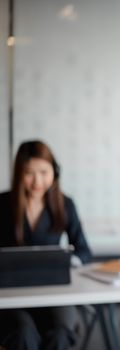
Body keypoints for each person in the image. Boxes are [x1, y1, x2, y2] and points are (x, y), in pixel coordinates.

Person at [0, 140, 92, 350]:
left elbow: (84, 250)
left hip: (54, 291)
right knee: (23, 334)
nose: (37, 181)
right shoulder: (3, 203)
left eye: (44, 172)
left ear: (55, 171)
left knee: (61, 332)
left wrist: (67, 262)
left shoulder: (65, 203)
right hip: (11, 295)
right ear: (18, 174)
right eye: (29, 173)